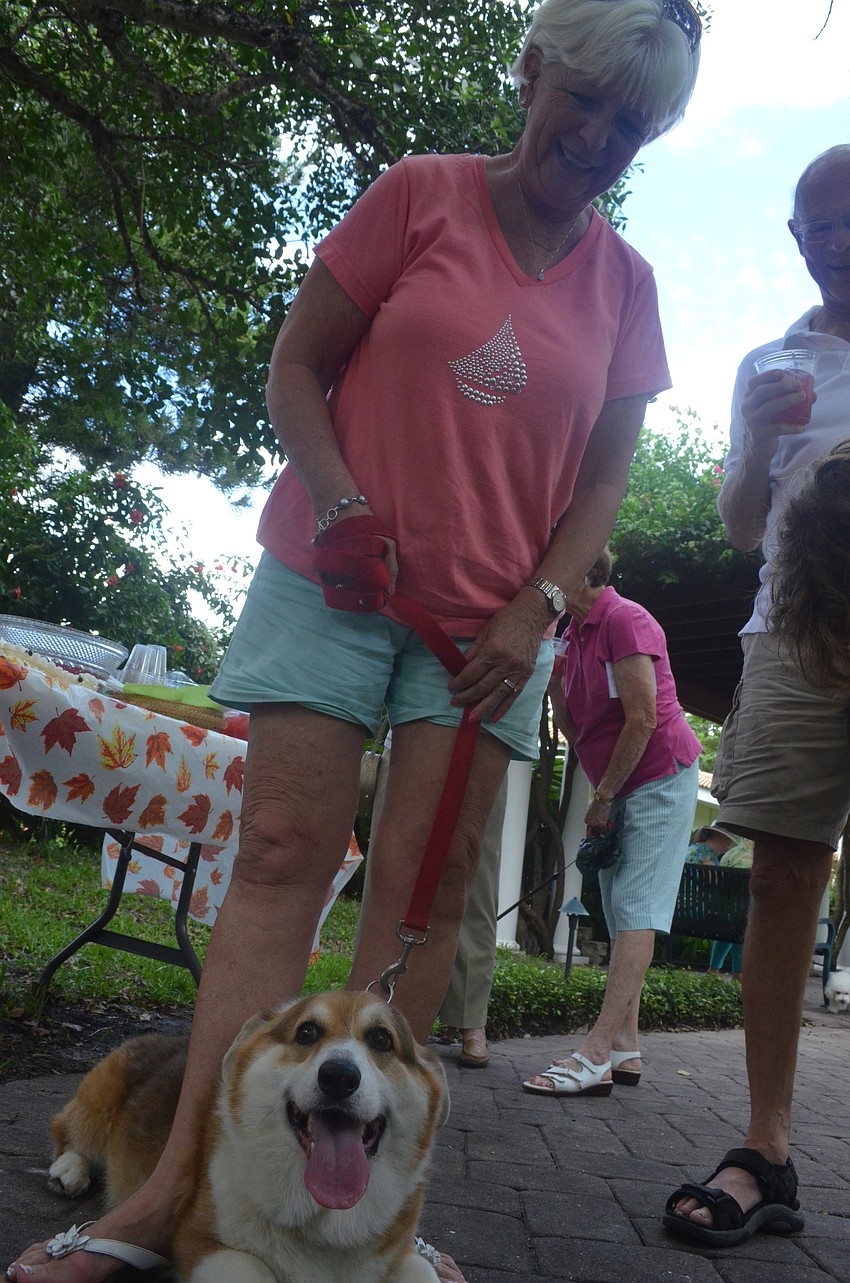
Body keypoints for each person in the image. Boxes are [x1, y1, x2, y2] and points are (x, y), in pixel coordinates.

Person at [6, 4, 701, 1281]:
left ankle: (377, 1213)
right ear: (534, 72)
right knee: (278, 852)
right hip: (333, 586)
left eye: (633, 122)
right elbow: (295, 365)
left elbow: (600, 485)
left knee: (422, 903)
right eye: (585, 98)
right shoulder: (418, 194)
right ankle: (174, 1194)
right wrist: (336, 501)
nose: (599, 136)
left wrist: (538, 605)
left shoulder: (628, 288)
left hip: (487, 636)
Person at [664, 144, 850, 1249]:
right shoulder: (772, 361)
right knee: (780, 875)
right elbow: (740, 521)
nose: (834, 249)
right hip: (791, 630)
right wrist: (757, 440)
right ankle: (767, 1147)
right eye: (815, 231)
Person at [523, 547, 701, 1096]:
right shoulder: (573, 636)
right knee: (619, 902)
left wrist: (601, 797)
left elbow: (643, 717)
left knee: (637, 907)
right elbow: (577, 727)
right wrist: (555, 679)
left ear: (579, 570)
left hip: (658, 774)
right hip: (617, 783)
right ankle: (626, 1049)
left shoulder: (625, 619)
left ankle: (595, 1053)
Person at [363, 734, 508, 1069]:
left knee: (476, 878)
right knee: (387, 876)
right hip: (404, 734)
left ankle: (471, 1019)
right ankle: (369, 1002)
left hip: (488, 735)